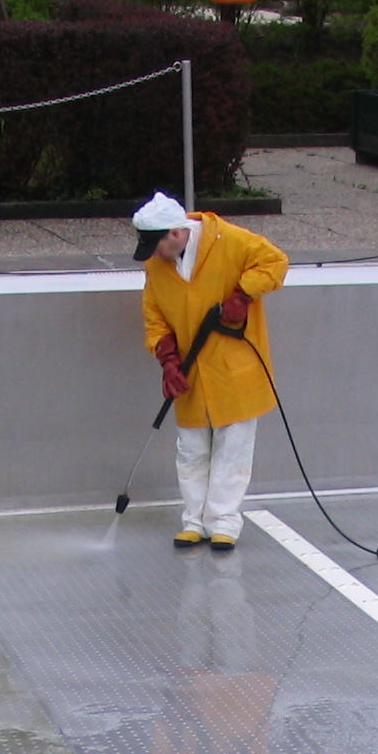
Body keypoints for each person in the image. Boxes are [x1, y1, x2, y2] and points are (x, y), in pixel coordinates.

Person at [131, 192, 288, 552]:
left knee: (232, 450)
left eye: (157, 245)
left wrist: (244, 294)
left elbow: (275, 262)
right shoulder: (157, 266)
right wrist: (167, 357)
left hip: (235, 367)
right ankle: (194, 521)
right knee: (191, 450)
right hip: (190, 370)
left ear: (176, 233)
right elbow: (154, 315)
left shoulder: (230, 241)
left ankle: (224, 522)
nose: (154, 254)